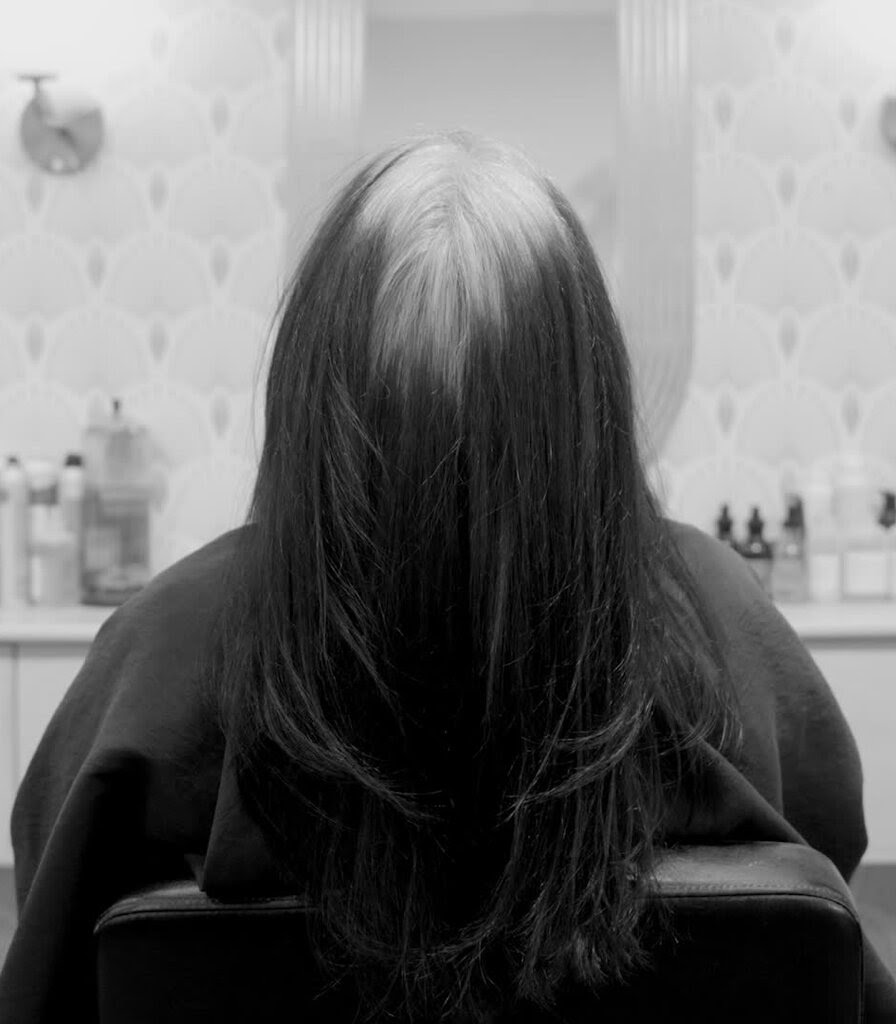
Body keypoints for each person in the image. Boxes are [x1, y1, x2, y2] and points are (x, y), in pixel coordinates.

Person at [1, 130, 895, 1023]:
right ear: (587, 396)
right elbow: (825, 858)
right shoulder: (712, 604)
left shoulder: (173, 639)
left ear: (313, 388)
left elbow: (51, 933)